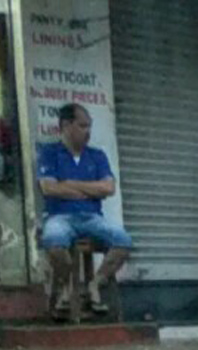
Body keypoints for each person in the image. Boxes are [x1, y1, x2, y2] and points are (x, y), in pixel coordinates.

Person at [37, 103, 132, 318]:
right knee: (53, 242)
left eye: (89, 126)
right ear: (66, 125)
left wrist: (69, 184)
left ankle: (95, 284)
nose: (87, 131)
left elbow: (108, 188)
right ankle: (67, 288)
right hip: (59, 217)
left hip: (92, 218)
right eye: (82, 126)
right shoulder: (49, 153)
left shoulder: (97, 156)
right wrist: (91, 189)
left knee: (123, 240)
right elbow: (48, 188)